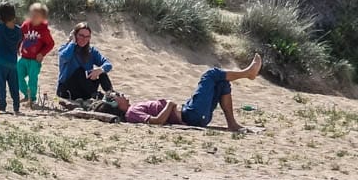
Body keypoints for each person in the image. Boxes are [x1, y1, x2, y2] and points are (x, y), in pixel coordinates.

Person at [110, 54, 262, 131]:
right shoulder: (131, 113)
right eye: (118, 96)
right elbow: (155, 122)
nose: (121, 94)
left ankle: (232, 124)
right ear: (115, 104)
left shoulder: (133, 109)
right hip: (192, 116)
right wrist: (169, 105)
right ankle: (247, 73)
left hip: (191, 112)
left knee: (222, 82)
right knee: (210, 74)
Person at [55, 22, 113, 101]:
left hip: (85, 90)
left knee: (102, 72)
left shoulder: (91, 51)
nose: (84, 39)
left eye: (87, 37)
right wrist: (72, 42)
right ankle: (95, 95)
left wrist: (100, 70)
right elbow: (64, 57)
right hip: (67, 90)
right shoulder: (65, 48)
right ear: (75, 35)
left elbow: (108, 64)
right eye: (81, 35)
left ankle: (111, 94)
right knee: (80, 71)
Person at [17, 3, 54, 108]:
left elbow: (50, 44)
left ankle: (31, 98)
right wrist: (17, 46)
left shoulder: (44, 31)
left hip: (34, 60)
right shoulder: (26, 25)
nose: (33, 18)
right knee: (17, 74)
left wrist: (42, 53)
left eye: (37, 16)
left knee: (33, 79)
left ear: (43, 18)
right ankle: (26, 94)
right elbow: (20, 37)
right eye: (32, 15)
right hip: (24, 57)